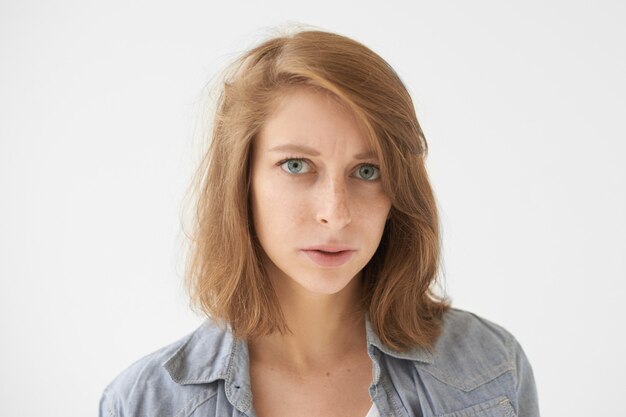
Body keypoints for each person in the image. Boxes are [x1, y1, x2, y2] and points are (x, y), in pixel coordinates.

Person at [99, 28, 540, 417]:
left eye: (367, 171)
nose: (335, 212)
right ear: (241, 181)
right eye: (296, 165)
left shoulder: (491, 366)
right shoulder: (144, 402)